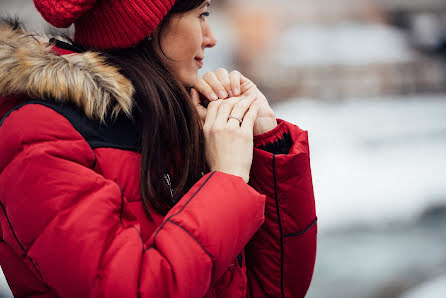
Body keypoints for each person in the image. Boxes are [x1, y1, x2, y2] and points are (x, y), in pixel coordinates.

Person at [0, 0, 317, 297]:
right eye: (202, 14)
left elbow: (273, 290)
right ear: (148, 25)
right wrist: (227, 181)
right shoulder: (38, 137)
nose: (211, 38)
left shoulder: (164, 121)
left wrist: (265, 139)